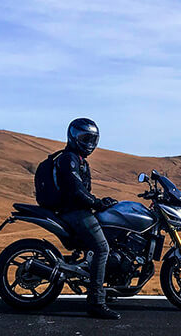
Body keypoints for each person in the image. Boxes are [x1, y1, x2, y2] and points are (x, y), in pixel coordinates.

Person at [52, 118, 120, 320]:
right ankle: (96, 303)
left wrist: (99, 203)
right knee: (102, 248)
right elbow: (76, 191)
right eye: (85, 138)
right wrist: (97, 203)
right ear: (73, 136)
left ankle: (103, 286)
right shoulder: (68, 159)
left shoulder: (79, 160)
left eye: (92, 138)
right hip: (72, 212)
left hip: (77, 210)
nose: (89, 143)